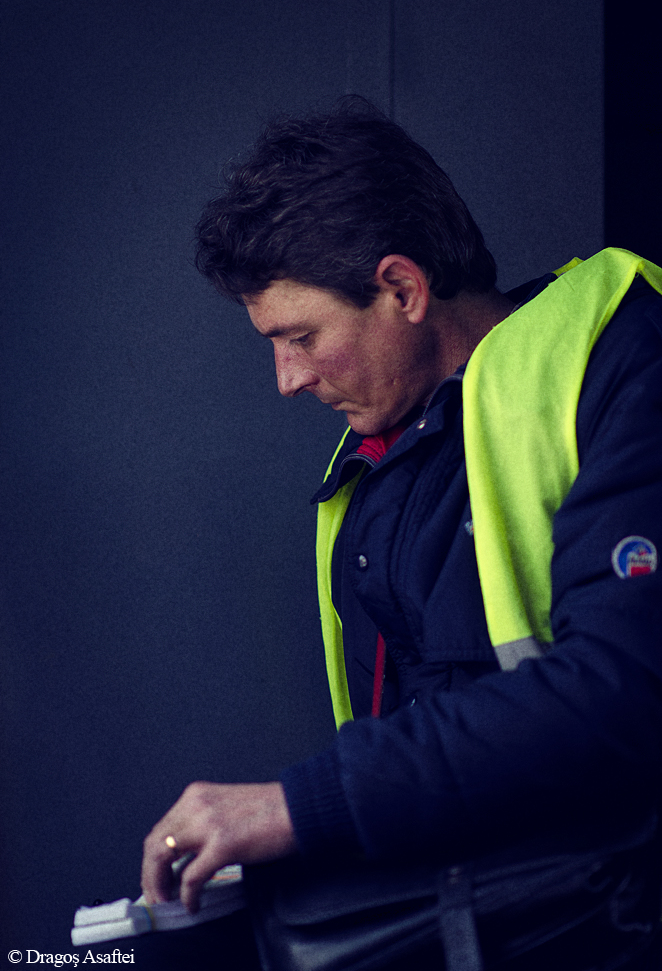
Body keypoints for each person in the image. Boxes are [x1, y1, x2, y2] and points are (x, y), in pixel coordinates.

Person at [140, 99, 662, 969]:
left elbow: (625, 689)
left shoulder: (622, 363)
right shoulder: (380, 464)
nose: (287, 379)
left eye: (301, 337)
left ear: (402, 289)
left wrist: (300, 806)